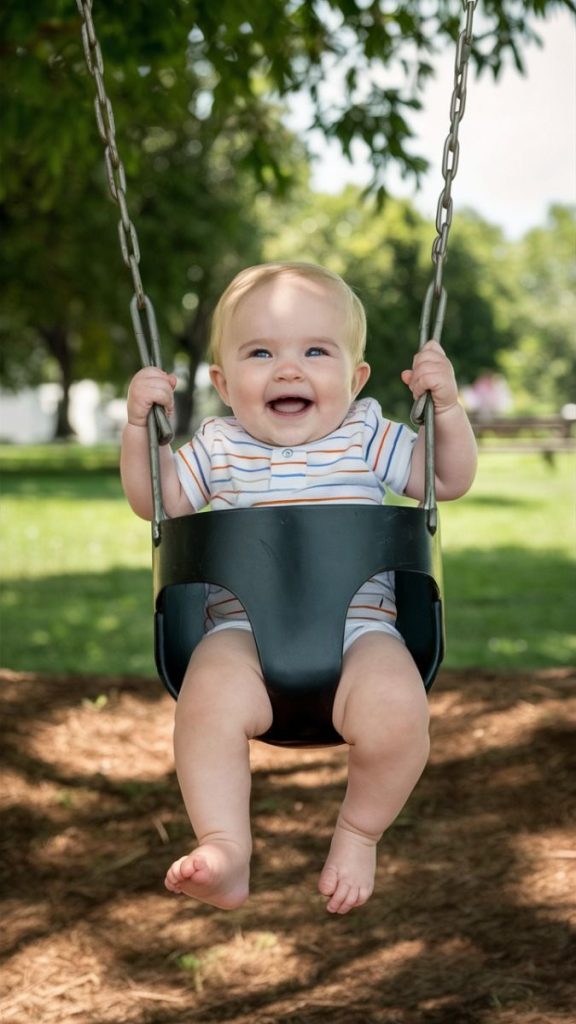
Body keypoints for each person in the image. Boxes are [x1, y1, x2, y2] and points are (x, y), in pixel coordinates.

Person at [121, 262, 477, 915]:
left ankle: (359, 831)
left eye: (316, 351)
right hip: (241, 636)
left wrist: (446, 409)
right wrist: (139, 430)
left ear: (356, 377)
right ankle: (225, 847)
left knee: (400, 717)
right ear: (225, 384)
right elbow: (159, 502)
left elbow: (445, 480)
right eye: (261, 353)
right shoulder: (217, 446)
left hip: (363, 632)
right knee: (205, 703)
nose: (288, 370)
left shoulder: (368, 434)